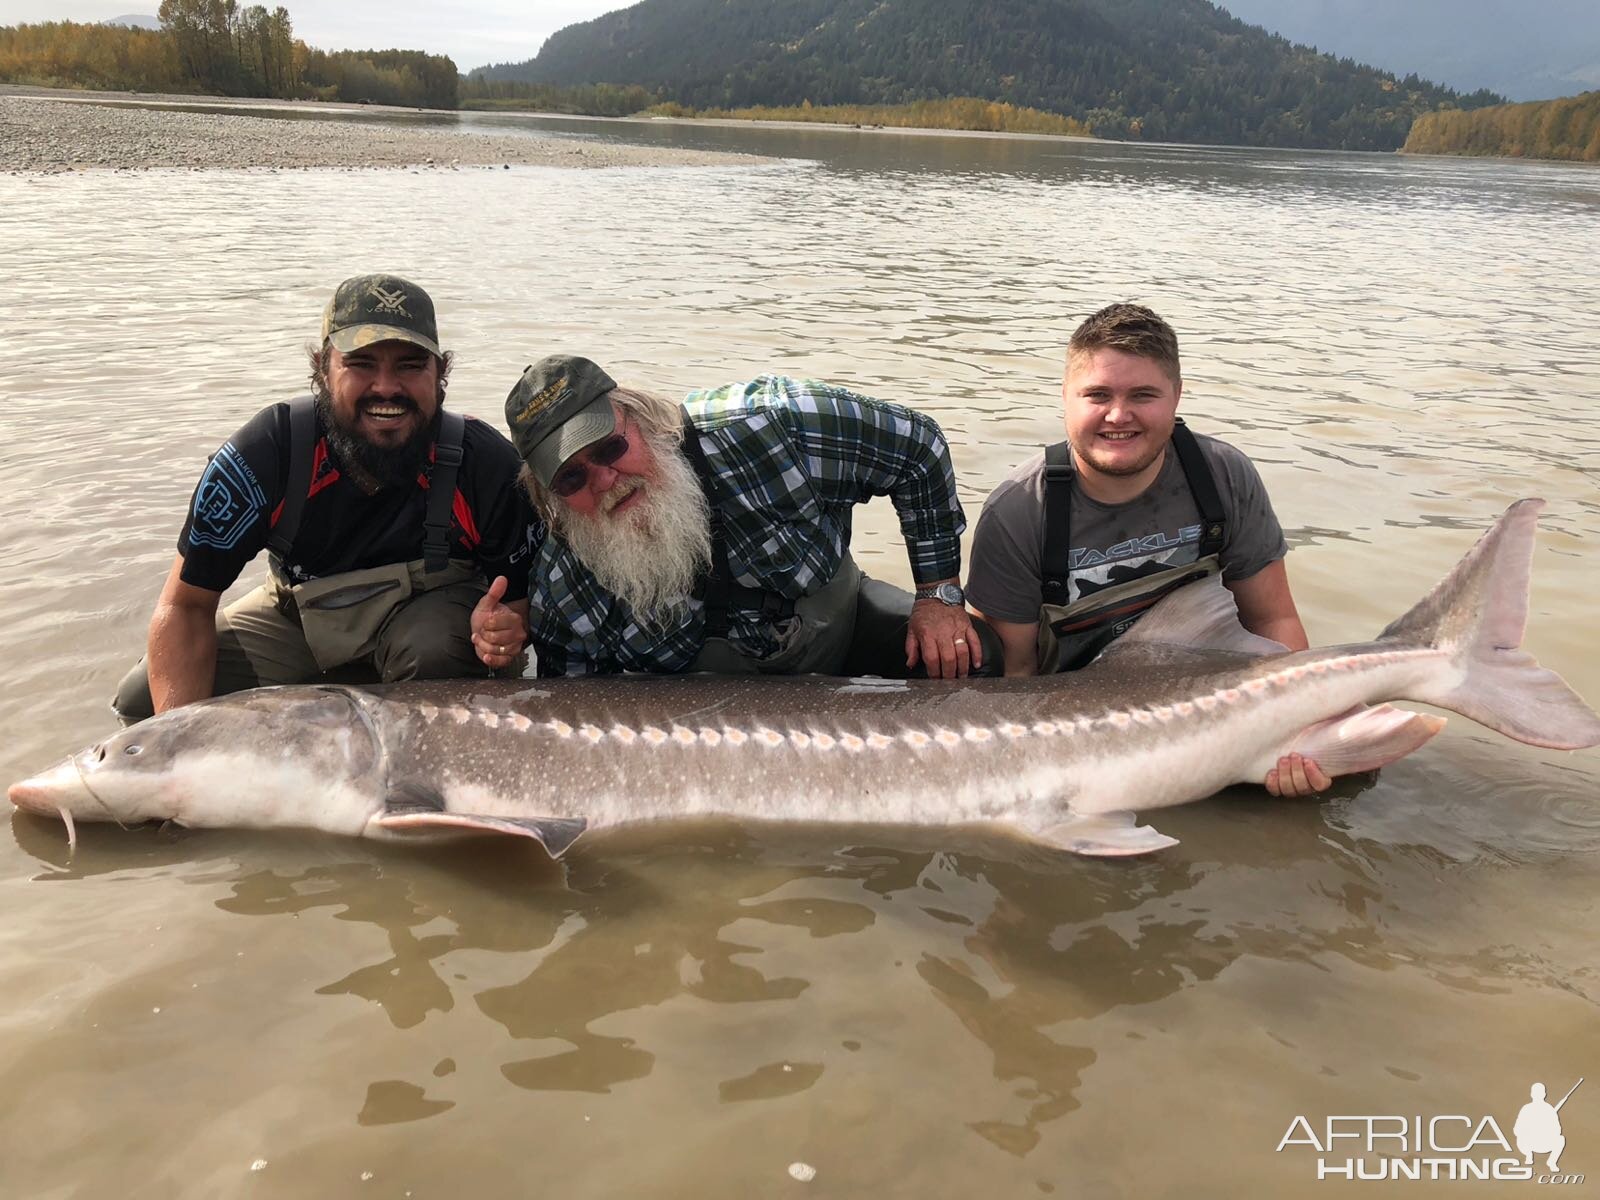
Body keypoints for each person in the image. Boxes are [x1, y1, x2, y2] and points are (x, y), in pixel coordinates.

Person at [113, 274, 532, 723]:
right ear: (322, 368)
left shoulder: (486, 464)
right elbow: (186, 606)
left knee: (432, 651)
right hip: (302, 622)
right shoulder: (265, 453)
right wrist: (179, 738)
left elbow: (518, 602)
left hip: (427, 637)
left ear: (440, 373)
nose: (386, 387)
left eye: (410, 365)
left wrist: (506, 633)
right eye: (361, 363)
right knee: (143, 704)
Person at [964, 302, 1330, 797]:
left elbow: (1273, 621)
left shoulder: (1222, 474)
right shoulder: (1019, 511)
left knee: (1331, 778)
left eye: (1143, 395)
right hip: (1081, 725)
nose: (1119, 415)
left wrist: (1295, 734)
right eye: (1096, 395)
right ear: (1065, 399)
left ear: (1177, 396)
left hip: (1211, 699)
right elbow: (1014, 678)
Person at [505, 355, 1000, 679]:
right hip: (706, 724)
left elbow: (918, 448)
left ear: (642, 417)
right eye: (572, 478)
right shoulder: (563, 583)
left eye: (611, 447)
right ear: (549, 498)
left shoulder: (771, 423)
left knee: (974, 658)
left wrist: (937, 595)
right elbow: (572, 710)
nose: (605, 480)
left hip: (839, 633)